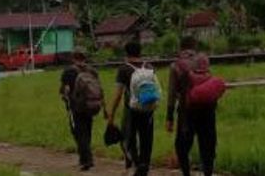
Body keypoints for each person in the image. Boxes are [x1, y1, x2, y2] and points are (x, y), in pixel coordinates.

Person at [166, 35, 217, 176]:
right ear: (194, 47)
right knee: (207, 143)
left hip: (186, 111)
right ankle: (208, 173)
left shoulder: (176, 65)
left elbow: (171, 93)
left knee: (182, 145)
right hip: (208, 108)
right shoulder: (203, 60)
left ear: (180, 48)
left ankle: (186, 173)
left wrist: (169, 117)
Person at [108, 41, 156, 176]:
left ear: (126, 53)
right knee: (147, 138)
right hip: (148, 108)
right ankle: (144, 165)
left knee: (127, 137)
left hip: (131, 109)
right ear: (140, 52)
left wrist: (111, 114)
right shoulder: (149, 66)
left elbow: (118, 94)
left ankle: (136, 163)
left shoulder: (124, 69)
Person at [60, 50, 105, 171]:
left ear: (73, 58)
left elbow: (64, 89)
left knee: (78, 132)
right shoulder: (92, 71)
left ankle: (87, 159)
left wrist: (65, 97)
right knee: (87, 130)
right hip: (91, 105)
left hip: (76, 106)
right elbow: (99, 88)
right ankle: (83, 157)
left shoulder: (69, 71)